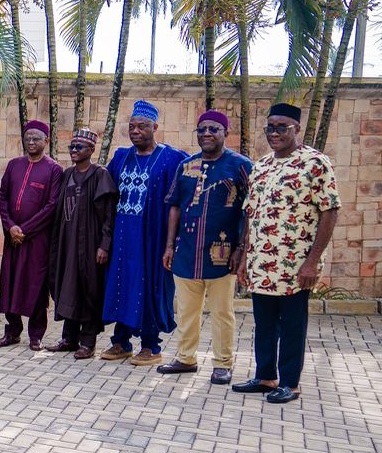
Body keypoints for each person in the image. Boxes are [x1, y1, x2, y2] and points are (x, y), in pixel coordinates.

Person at [234, 103, 340, 404]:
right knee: (264, 324)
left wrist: (312, 261)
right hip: (261, 263)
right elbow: (251, 214)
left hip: (295, 264)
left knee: (292, 325)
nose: (274, 133)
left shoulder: (315, 163)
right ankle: (265, 377)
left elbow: (330, 210)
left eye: (282, 127)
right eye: (270, 127)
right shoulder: (261, 166)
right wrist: (244, 257)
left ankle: (290, 383)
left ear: (296, 129)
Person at [158, 110, 251, 384]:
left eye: (213, 129)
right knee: (187, 311)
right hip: (186, 252)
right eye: (201, 130)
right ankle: (186, 358)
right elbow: (175, 206)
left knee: (222, 313)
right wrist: (169, 246)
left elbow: (251, 210)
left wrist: (241, 249)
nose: (207, 134)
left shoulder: (241, 165)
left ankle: (223, 363)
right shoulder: (186, 165)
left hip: (222, 253)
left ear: (225, 133)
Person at [101, 100, 187, 366]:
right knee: (122, 284)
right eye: (132, 126)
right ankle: (121, 341)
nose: (135, 131)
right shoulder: (121, 157)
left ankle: (151, 345)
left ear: (155, 127)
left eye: (142, 126)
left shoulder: (171, 159)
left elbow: (181, 199)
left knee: (150, 287)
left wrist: (173, 242)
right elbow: (108, 194)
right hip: (123, 237)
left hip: (153, 238)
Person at [47, 128, 117, 359]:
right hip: (68, 243)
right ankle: (69, 338)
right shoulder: (67, 174)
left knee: (89, 289)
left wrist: (104, 245)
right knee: (68, 287)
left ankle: (88, 342)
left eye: (79, 147)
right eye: (72, 146)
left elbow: (109, 215)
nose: (74, 150)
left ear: (91, 149)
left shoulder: (100, 175)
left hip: (90, 244)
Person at [0, 120, 63, 351]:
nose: (31, 142)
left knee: (36, 285)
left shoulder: (54, 169)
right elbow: (3, 197)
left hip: (36, 240)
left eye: (36, 138)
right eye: (27, 138)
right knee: (10, 282)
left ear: (46, 140)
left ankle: (36, 335)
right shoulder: (14, 165)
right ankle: (12, 331)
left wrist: (24, 229)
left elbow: (52, 206)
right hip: (13, 239)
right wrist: (10, 227)